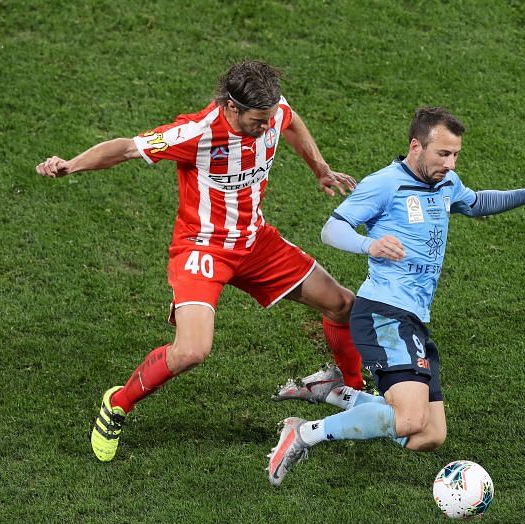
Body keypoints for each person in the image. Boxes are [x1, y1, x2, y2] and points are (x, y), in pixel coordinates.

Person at [35, 60, 365, 462]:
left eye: (268, 119)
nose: (266, 127)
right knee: (192, 351)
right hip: (202, 249)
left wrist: (320, 167)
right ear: (231, 107)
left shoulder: (272, 112)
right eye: (257, 121)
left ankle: (355, 393)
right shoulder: (198, 132)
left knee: (342, 303)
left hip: (255, 243)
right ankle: (117, 403)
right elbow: (124, 148)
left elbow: (291, 121)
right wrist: (70, 164)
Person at [267, 106, 525, 486]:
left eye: (456, 154)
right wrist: (370, 244)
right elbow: (332, 229)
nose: (450, 162)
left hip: (414, 318)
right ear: (416, 146)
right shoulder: (385, 184)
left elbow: (476, 203)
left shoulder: (447, 184)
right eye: (443, 153)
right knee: (410, 418)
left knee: (428, 435)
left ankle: (333, 393)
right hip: (384, 313)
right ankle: (303, 433)